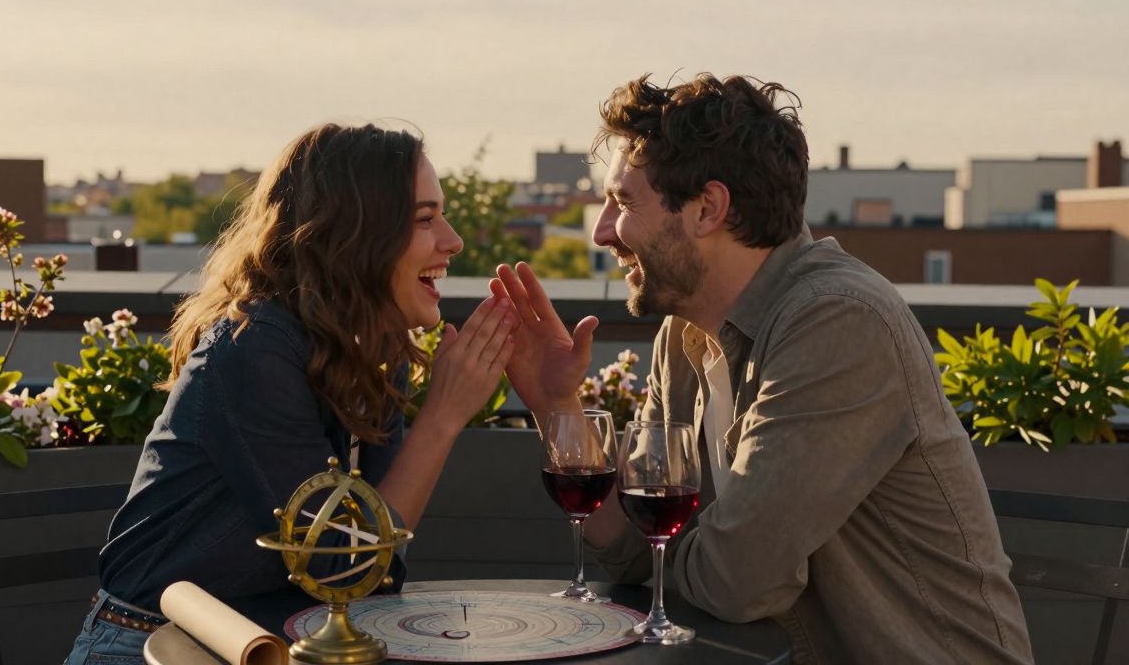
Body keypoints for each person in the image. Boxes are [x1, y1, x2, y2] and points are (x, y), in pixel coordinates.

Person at [492, 73, 1034, 663]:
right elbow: (630, 551)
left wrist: (673, 556)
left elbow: (737, 580)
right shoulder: (685, 335)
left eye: (622, 202)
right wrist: (557, 408)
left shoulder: (838, 324)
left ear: (708, 208)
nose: (601, 233)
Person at [65, 123, 519, 664]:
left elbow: (374, 567)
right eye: (424, 219)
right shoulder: (253, 349)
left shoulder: (373, 349)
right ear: (353, 233)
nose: (453, 240)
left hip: (280, 644)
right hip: (154, 644)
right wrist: (442, 416)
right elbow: (341, 565)